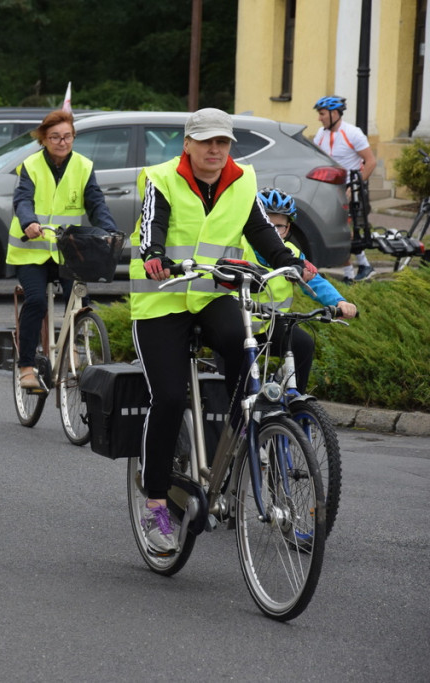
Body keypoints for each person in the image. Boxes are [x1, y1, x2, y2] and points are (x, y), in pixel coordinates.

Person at [130, 108, 315, 554]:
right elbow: (151, 225)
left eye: (223, 142)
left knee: (240, 341)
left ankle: (240, 433)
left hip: (213, 295)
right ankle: (155, 501)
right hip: (162, 298)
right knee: (170, 397)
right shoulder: (161, 177)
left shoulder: (243, 180)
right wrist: (154, 253)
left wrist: (288, 260)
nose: (216, 150)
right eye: (207, 142)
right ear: (188, 144)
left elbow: (261, 232)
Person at [7, 109, 118, 390]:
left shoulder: (83, 166)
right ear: (44, 139)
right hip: (32, 250)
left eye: (67, 136)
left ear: (73, 137)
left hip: (68, 251)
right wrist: (29, 221)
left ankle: (74, 346)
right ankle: (26, 367)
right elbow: (22, 200)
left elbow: (96, 204)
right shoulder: (31, 166)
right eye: (55, 137)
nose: (61, 142)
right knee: (34, 301)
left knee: (78, 301)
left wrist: (109, 231)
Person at [251, 188, 358, 392]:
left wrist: (339, 302)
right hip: (238, 325)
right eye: (267, 225)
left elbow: (315, 281)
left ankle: (295, 401)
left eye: (279, 227)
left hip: (271, 325)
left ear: (288, 228)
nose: (273, 232)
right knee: (240, 387)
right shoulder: (239, 247)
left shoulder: (292, 254)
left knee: (303, 344)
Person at [313, 96, 377, 283]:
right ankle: (356, 268)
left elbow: (371, 162)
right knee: (338, 231)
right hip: (330, 190)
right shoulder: (321, 134)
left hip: (350, 190)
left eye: (322, 114)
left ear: (334, 113)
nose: (319, 118)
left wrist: (355, 187)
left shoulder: (353, 133)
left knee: (344, 230)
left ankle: (358, 268)